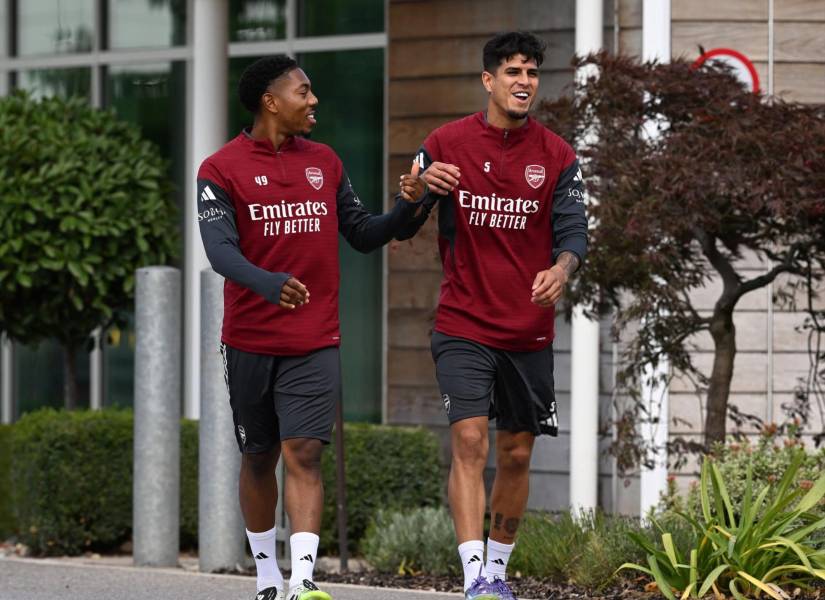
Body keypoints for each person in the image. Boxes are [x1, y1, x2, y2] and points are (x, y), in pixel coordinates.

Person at [197, 55, 425, 600]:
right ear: (270, 102)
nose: (314, 100)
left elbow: (365, 233)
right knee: (259, 457)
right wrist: (269, 283)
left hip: (314, 338)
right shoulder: (219, 168)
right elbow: (220, 252)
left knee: (305, 452)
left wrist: (409, 207)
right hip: (250, 341)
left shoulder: (325, 161)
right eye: (304, 92)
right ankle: (267, 577)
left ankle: (302, 581)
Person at [395, 31, 589, 600]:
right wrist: (414, 190)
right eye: (512, 71)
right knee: (471, 441)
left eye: (531, 72)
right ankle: (473, 576)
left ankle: (499, 572)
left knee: (517, 451)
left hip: (527, 330)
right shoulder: (445, 143)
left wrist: (563, 268)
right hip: (463, 323)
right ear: (489, 80)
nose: (524, 81)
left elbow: (574, 228)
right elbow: (404, 221)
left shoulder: (557, 154)